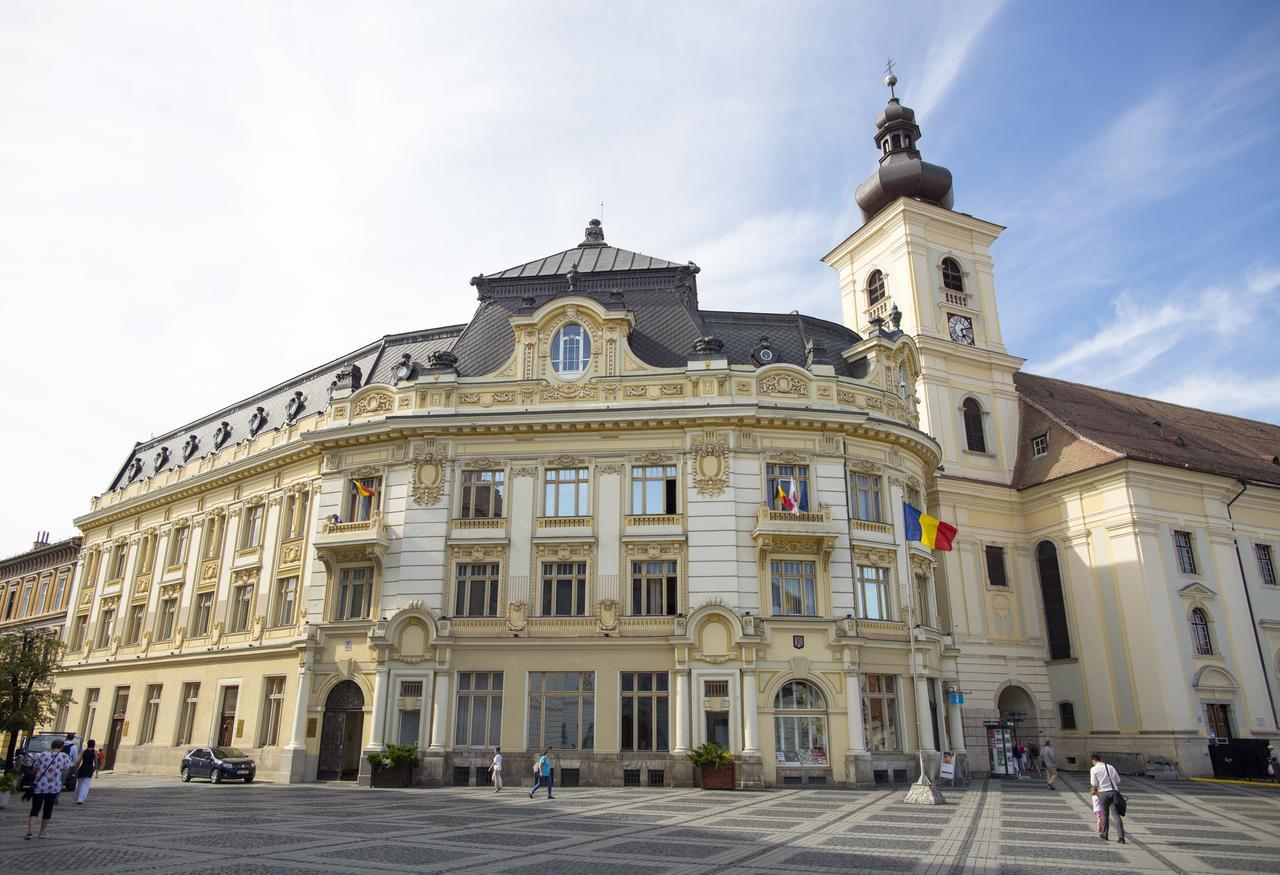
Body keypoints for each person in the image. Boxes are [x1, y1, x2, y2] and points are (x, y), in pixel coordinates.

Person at [25, 737, 71, 839]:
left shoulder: (42, 755)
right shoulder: (64, 756)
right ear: (61, 747)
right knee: (48, 809)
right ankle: (42, 832)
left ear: (52, 746)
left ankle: (30, 831)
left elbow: (34, 769)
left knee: (35, 808)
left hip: (39, 786)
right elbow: (66, 771)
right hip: (53, 787)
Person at [1089, 753, 1125, 843]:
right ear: (1100, 759)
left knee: (1105, 815)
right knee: (1116, 815)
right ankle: (1121, 837)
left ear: (1093, 761)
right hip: (1114, 792)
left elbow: (1094, 784)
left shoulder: (1094, 769)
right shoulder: (1110, 767)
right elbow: (1118, 780)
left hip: (1103, 793)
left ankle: (1105, 835)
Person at [74, 739, 98, 804]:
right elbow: (96, 762)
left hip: (82, 768)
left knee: (79, 784)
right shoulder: (95, 752)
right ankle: (81, 799)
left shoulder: (84, 751)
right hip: (89, 768)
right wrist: (95, 770)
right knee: (86, 785)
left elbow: (79, 761)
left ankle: (77, 797)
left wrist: (76, 768)